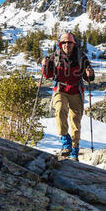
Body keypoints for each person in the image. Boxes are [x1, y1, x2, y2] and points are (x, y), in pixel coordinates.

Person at [42, 32, 94, 160]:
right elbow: (47, 75)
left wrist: (89, 73)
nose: (66, 45)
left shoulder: (81, 57)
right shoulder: (54, 57)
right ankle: (66, 142)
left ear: (73, 44)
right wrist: (44, 65)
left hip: (76, 91)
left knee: (76, 122)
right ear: (60, 44)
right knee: (60, 108)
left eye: (69, 42)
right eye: (64, 43)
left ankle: (74, 151)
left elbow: (89, 78)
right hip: (61, 89)